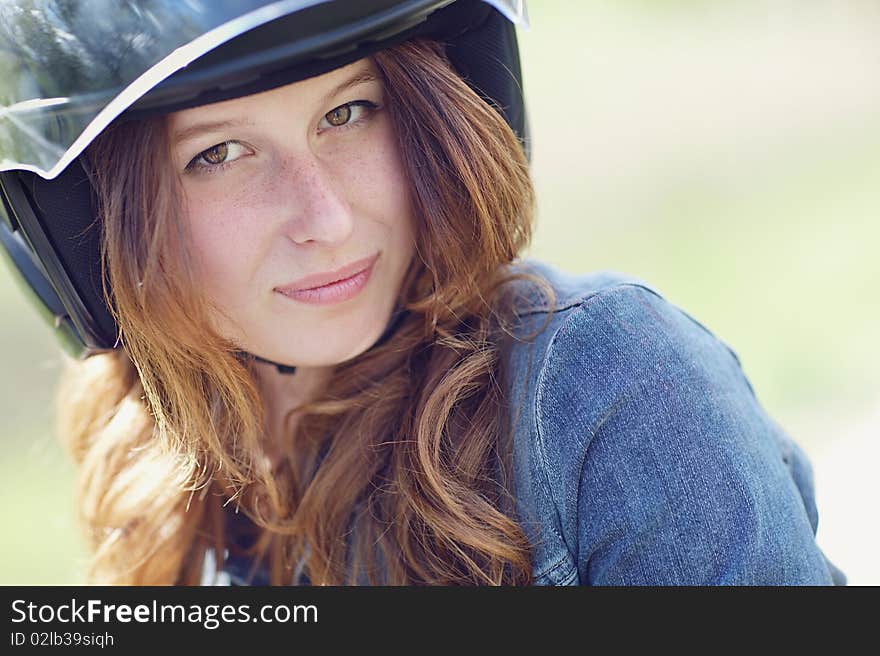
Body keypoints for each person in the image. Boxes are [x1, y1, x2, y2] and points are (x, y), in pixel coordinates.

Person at [0, 0, 845, 586]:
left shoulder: (609, 386)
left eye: (348, 113)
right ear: (89, 222)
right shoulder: (146, 457)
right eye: (219, 154)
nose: (326, 220)